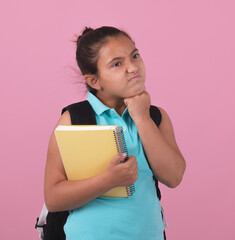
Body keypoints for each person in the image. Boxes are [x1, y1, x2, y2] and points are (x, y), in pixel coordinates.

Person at [44, 26, 186, 240]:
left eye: (135, 56)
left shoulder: (156, 117)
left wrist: (142, 118)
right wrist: (108, 180)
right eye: (117, 64)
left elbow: (174, 176)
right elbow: (53, 197)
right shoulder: (74, 120)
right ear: (94, 81)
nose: (132, 68)